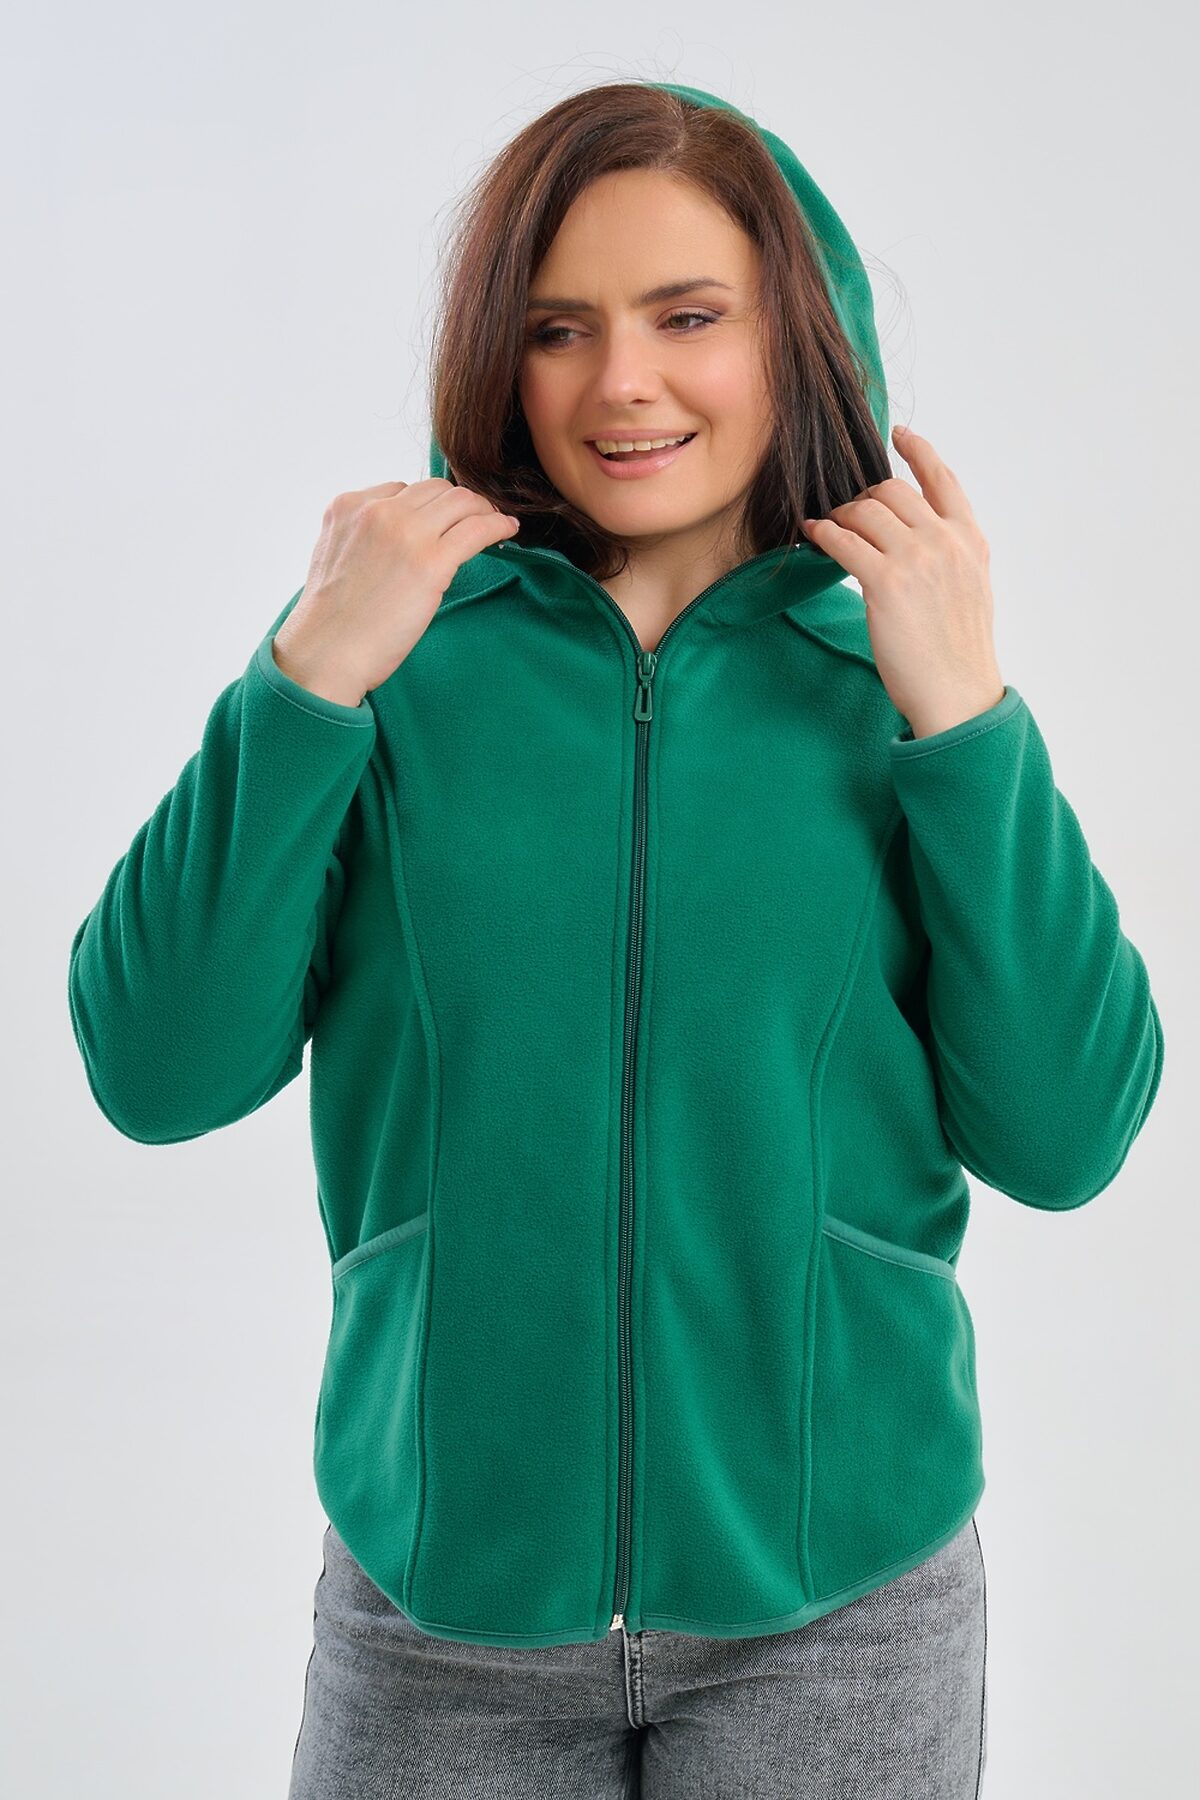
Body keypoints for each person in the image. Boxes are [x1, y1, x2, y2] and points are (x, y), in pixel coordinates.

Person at [67, 79, 1164, 1798]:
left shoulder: (890, 675)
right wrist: (306, 675)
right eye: (557, 326)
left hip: (841, 1608)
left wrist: (964, 711)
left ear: (796, 332)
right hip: (442, 1599)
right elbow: (156, 1070)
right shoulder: (392, 659)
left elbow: (1068, 1135)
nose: (620, 382)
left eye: (688, 316)